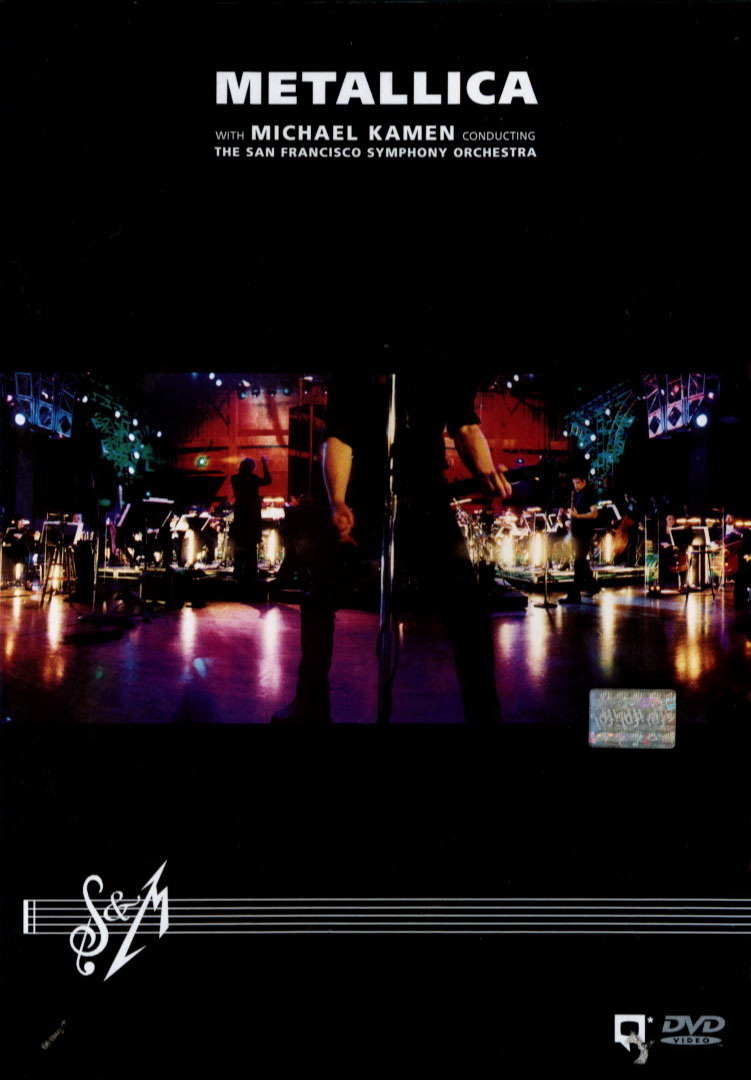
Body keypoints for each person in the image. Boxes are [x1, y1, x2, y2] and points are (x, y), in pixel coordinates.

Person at [273, 371, 512, 726]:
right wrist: (338, 500)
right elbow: (338, 437)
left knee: (467, 607)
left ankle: (485, 716)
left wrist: (486, 470)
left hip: (426, 495)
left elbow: (464, 426)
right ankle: (310, 704)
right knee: (319, 596)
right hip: (365, 496)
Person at [230, 456, 271, 585]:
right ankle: (250, 574)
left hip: (240, 516)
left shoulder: (234, 478)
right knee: (251, 548)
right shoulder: (253, 479)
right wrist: (264, 464)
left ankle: (238, 572)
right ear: (251, 468)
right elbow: (268, 480)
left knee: (240, 547)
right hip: (252, 517)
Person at [559, 471, 600, 603]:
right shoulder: (575, 494)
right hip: (577, 531)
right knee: (580, 562)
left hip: (585, 532)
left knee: (578, 561)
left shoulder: (589, 494)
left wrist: (578, 516)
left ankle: (575, 595)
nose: (575, 486)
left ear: (584, 482)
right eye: (574, 483)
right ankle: (593, 585)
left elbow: (594, 514)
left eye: (578, 483)